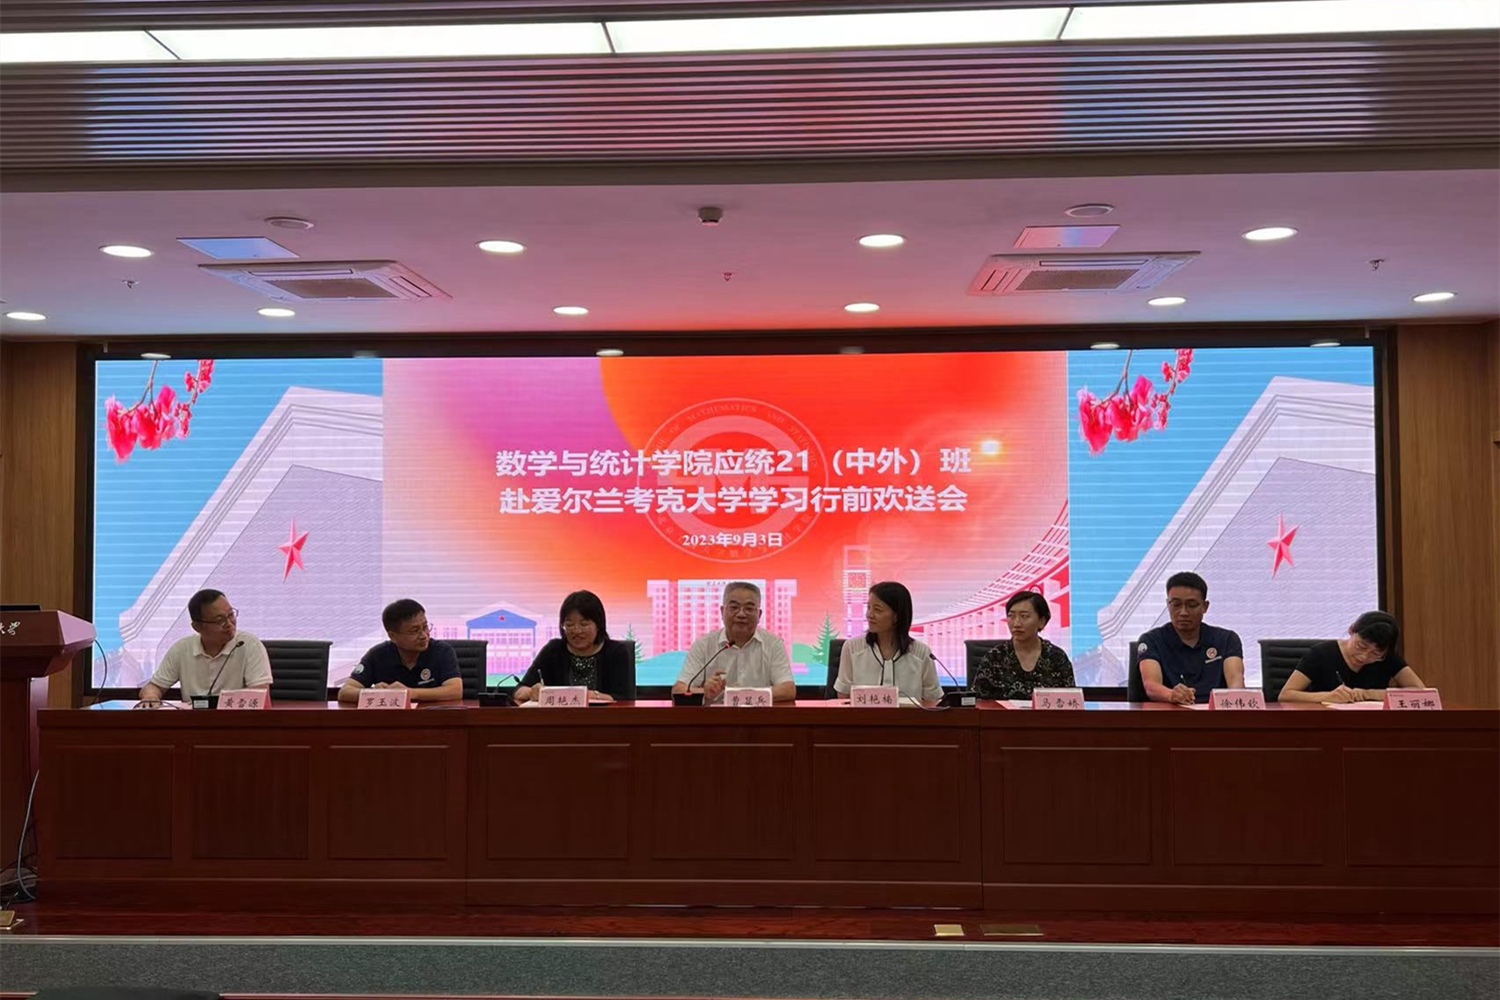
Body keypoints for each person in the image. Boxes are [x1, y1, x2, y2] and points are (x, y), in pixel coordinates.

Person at [138, 588, 272, 704]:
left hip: (238, 722)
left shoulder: (249, 645)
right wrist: (151, 696)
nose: (229, 624)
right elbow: (153, 686)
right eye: (219, 620)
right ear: (197, 627)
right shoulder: (182, 649)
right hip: (193, 722)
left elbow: (260, 693)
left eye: (231, 615)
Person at [673, 582, 795, 703]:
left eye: (749, 608)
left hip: (758, 714)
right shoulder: (703, 645)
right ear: (722, 611)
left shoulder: (773, 644)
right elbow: (679, 690)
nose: (741, 614)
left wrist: (738, 696)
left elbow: (788, 690)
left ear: (759, 614)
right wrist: (704, 691)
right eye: (734, 607)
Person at [1137, 571, 1244, 704]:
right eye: (1176, 605)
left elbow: (1236, 684)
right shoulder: (1151, 640)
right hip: (1171, 711)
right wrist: (1172, 695)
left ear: (1205, 607)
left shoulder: (1227, 639)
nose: (1183, 612)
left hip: (1216, 712)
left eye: (1192, 605)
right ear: (1168, 604)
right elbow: (1151, 686)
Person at [514, 590, 635, 703]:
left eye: (584, 624)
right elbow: (519, 690)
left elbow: (624, 699)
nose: (576, 631)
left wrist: (589, 695)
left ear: (598, 625)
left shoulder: (615, 652)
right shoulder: (553, 650)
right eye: (569, 624)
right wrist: (532, 692)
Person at [1279, 611, 1426, 703]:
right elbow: (1286, 695)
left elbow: (1422, 693)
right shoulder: (1321, 654)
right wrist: (1327, 697)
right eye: (1361, 646)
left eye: (1375, 654)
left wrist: (1368, 694)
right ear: (1351, 630)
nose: (1364, 657)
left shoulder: (1388, 657)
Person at [833, 581, 941, 703]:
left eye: (877, 610)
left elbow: (931, 700)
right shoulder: (852, 648)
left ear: (896, 616)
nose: (869, 615)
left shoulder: (921, 652)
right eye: (869, 607)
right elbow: (843, 697)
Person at [338, 598, 462, 704]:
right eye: (414, 631)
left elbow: (455, 691)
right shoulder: (378, 655)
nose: (424, 635)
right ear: (393, 636)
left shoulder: (442, 651)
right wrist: (373, 693)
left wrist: (410, 693)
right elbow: (345, 692)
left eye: (425, 627)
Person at [971, 590, 1075, 700]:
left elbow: (1071, 701)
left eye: (1024, 616)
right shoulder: (994, 657)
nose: (1016, 624)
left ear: (1042, 621)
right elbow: (976, 702)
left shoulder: (1057, 657)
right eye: (1011, 616)